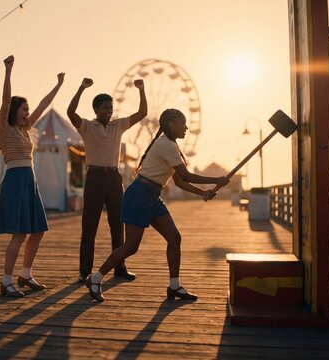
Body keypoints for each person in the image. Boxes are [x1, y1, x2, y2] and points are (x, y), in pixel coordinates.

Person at [86, 108, 228, 302]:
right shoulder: (166, 145)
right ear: (172, 124)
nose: (186, 127)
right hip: (139, 195)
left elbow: (179, 182)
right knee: (131, 246)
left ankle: (174, 286)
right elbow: (186, 176)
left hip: (152, 195)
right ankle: (95, 279)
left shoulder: (172, 146)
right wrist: (216, 180)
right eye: (182, 123)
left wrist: (203, 192)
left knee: (174, 238)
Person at [0, 55, 64, 297]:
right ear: (14, 110)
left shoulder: (25, 129)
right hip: (15, 181)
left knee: (38, 230)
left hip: (29, 181)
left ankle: (25, 274)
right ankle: (6, 280)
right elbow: (5, 100)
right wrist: (8, 71)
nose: (28, 113)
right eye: (24, 109)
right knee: (20, 233)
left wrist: (58, 86)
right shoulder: (3, 126)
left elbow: (44, 105)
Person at [67, 77, 147, 283]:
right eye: (105, 108)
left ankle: (119, 267)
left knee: (117, 224)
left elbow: (142, 113)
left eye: (111, 108)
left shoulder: (118, 125)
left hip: (113, 176)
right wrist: (81, 88)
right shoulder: (86, 126)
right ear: (96, 110)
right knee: (89, 225)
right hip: (94, 176)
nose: (109, 111)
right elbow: (70, 113)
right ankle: (85, 271)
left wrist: (141, 89)